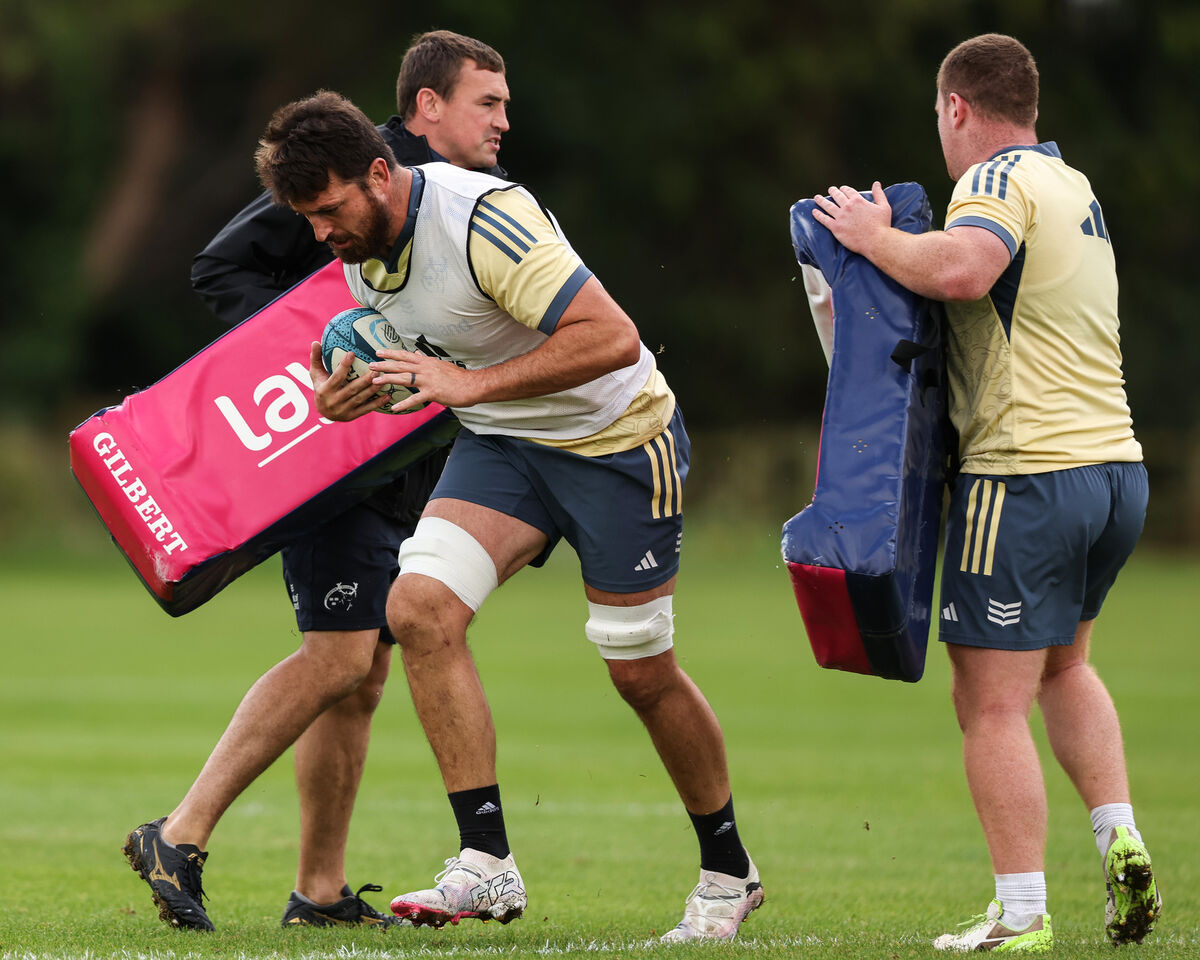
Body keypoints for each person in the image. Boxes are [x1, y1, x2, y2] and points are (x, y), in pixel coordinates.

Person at [255, 89, 765, 942]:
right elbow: (438, 366)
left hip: (618, 442)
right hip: (507, 448)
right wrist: (355, 402)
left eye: (330, 209)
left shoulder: (485, 218)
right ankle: (485, 863)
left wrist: (471, 389)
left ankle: (728, 870)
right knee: (417, 608)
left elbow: (615, 338)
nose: (321, 233)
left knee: (639, 671)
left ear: (380, 174)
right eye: (308, 217)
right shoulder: (359, 261)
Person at [123, 31, 511, 931]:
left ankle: (321, 889)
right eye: (485, 102)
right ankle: (177, 833)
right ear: (425, 110)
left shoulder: (464, 201)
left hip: (400, 461)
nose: (501, 121)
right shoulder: (346, 168)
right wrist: (311, 349)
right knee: (337, 656)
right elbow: (221, 265)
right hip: (325, 459)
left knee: (364, 672)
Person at [811, 33, 1160, 952]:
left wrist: (872, 238)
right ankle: (1119, 835)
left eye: (939, 117)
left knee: (990, 702)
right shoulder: (1073, 185)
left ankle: (1020, 914)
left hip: (1026, 478)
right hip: (1115, 473)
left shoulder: (996, 182)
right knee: (1067, 667)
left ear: (957, 107)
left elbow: (966, 270)